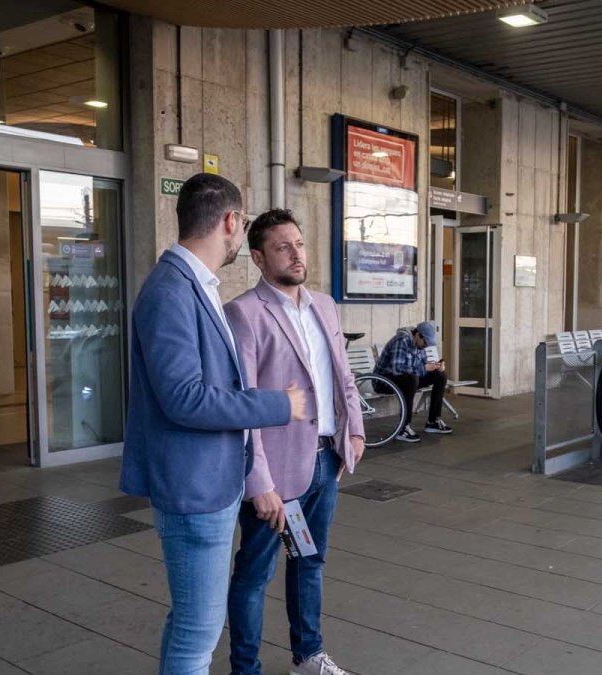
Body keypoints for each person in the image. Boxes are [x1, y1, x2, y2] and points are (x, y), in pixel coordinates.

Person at [120, 174, 305, 675]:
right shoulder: (171, 291)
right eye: (241, 227)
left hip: (209, 481)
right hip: (194, 487)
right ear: (231, 222)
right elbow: (184, 399)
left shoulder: (191, 285)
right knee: (198, 632)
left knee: (191, 624)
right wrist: (278, 406)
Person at [223, 208, 366, 675]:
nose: (296, 254)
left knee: (309, 561)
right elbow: (242, 406)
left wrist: (355, 430)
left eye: (299, 244)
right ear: (260, 259)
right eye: (283, 247)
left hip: (326, 460)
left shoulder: (324, 304)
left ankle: (308, 657)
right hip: (275, 473)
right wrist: (258, 480)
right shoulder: (244, 313)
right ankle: (246, 669)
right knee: (254, 574)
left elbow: (342, 377)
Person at [374, 321, 453, 443]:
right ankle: (403, 428)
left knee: (440, 376)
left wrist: (437, 367)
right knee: (411, 380)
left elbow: (422, 365)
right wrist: (424, 368)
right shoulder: (401, 341)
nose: (425, 346)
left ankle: (433, 422)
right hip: (384, 381)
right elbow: (397, 369)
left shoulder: (420, 345)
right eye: (425, 342)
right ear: (418, 335)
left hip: (405, 379)